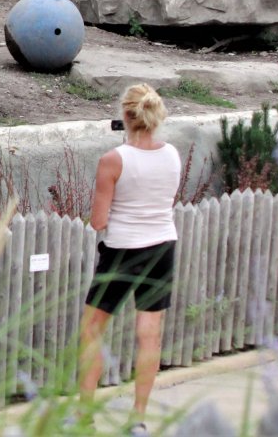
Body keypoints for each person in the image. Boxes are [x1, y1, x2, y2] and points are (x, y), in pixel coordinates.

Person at [78, 83, 182, 433]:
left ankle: (85, 415)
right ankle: (138, 419)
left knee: (91, 331)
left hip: (122, 250)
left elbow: (99, 220)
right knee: (149, 335)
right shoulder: (172, 155)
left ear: (125, 115)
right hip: (162, 247)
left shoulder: (113, 160)